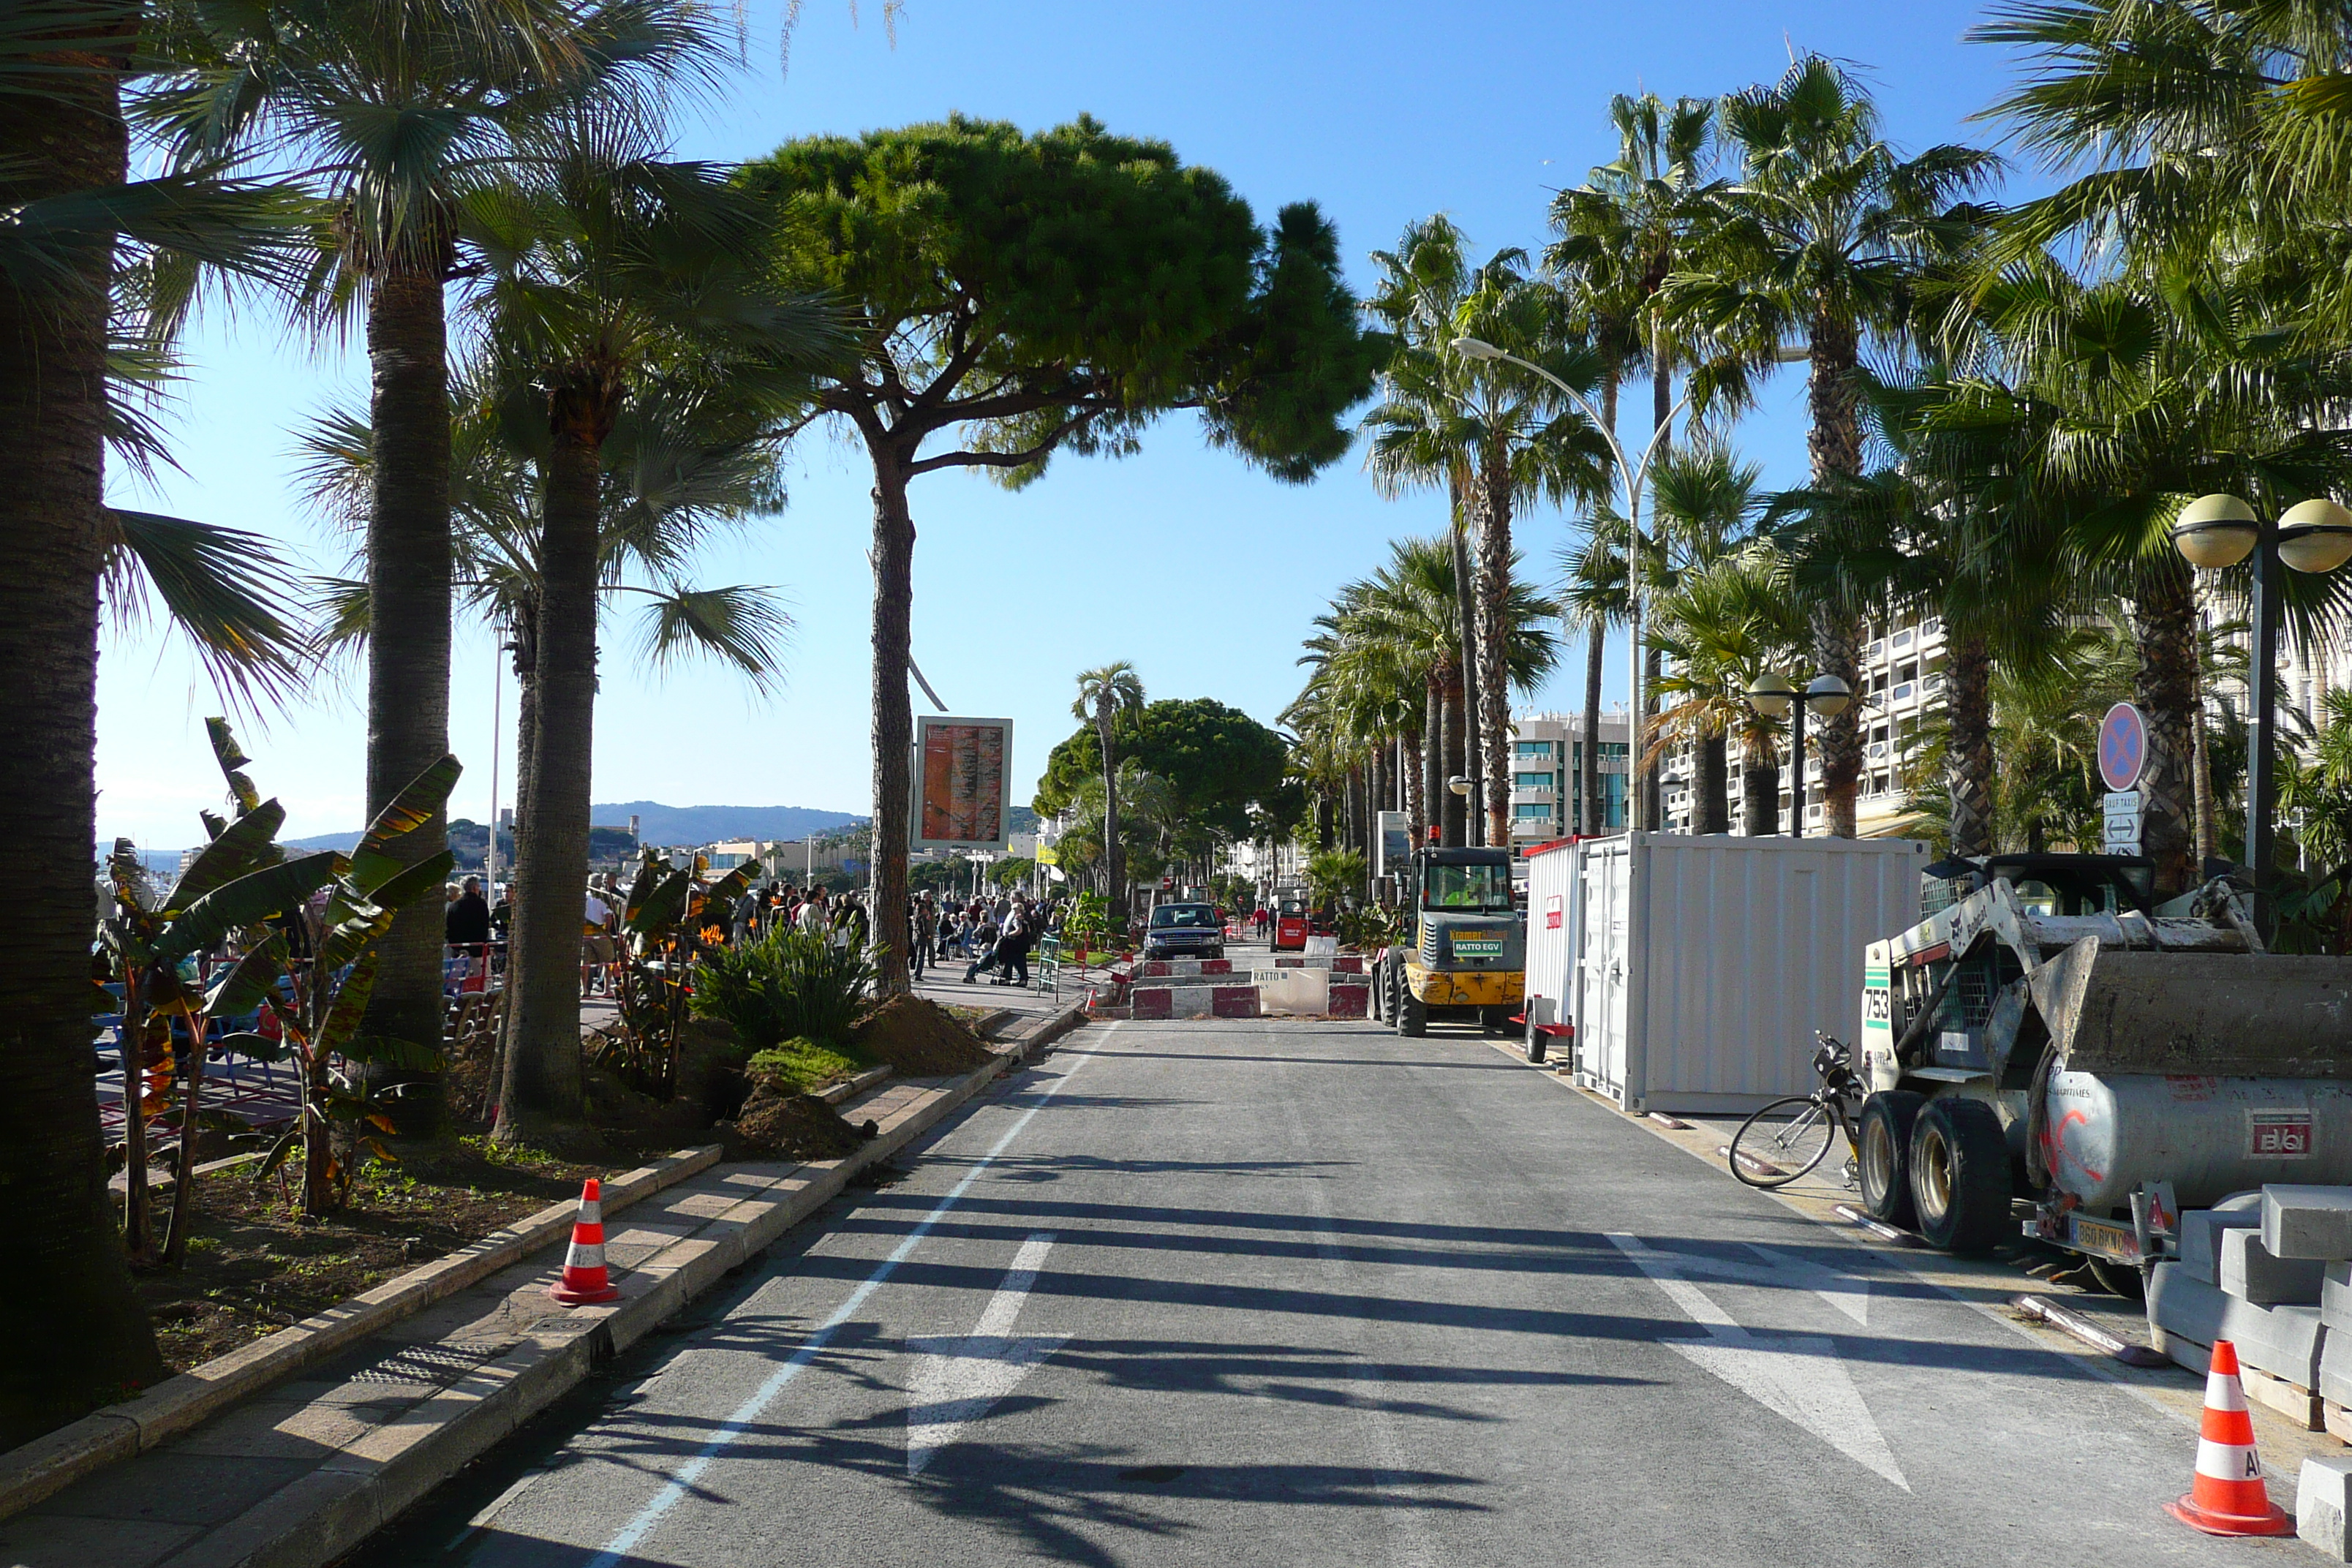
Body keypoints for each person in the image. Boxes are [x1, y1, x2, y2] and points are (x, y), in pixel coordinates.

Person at [582, 878, 617, 997]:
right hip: (600, 933)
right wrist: (607, 931)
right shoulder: (603, 898)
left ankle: (585, 990)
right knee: (608, 962)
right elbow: (608, 916)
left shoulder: (583, 897)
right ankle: (607, 989)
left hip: (585, 934)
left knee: (585, 963)